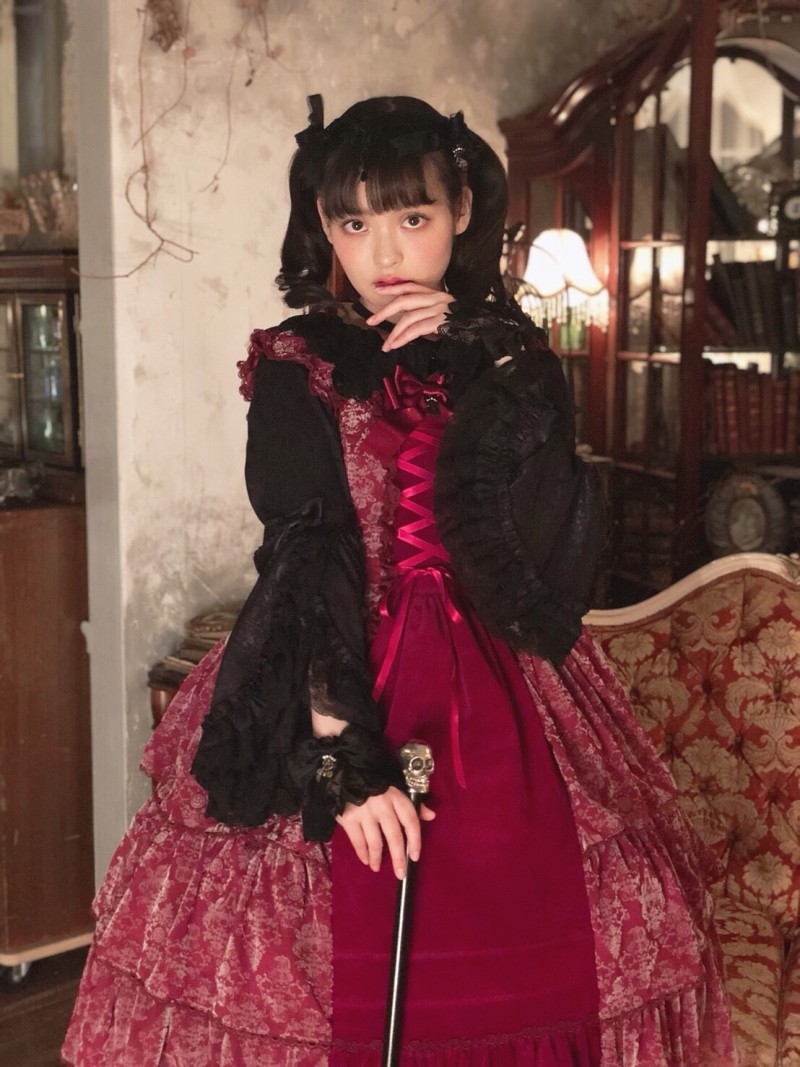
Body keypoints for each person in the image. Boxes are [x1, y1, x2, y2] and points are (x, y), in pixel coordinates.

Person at [63, 95, 735, 1066]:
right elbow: (308, 554)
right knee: (345, 957)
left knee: (539, 944)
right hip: (341, 664)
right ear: (323, 223)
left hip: (505, 678)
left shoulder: (504, 352)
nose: (382, 251)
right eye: (353, 222)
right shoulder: (297, 363)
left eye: (412, 217)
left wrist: (500, 356)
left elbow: (555, 548)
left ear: (462, 208)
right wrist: (341, 755)